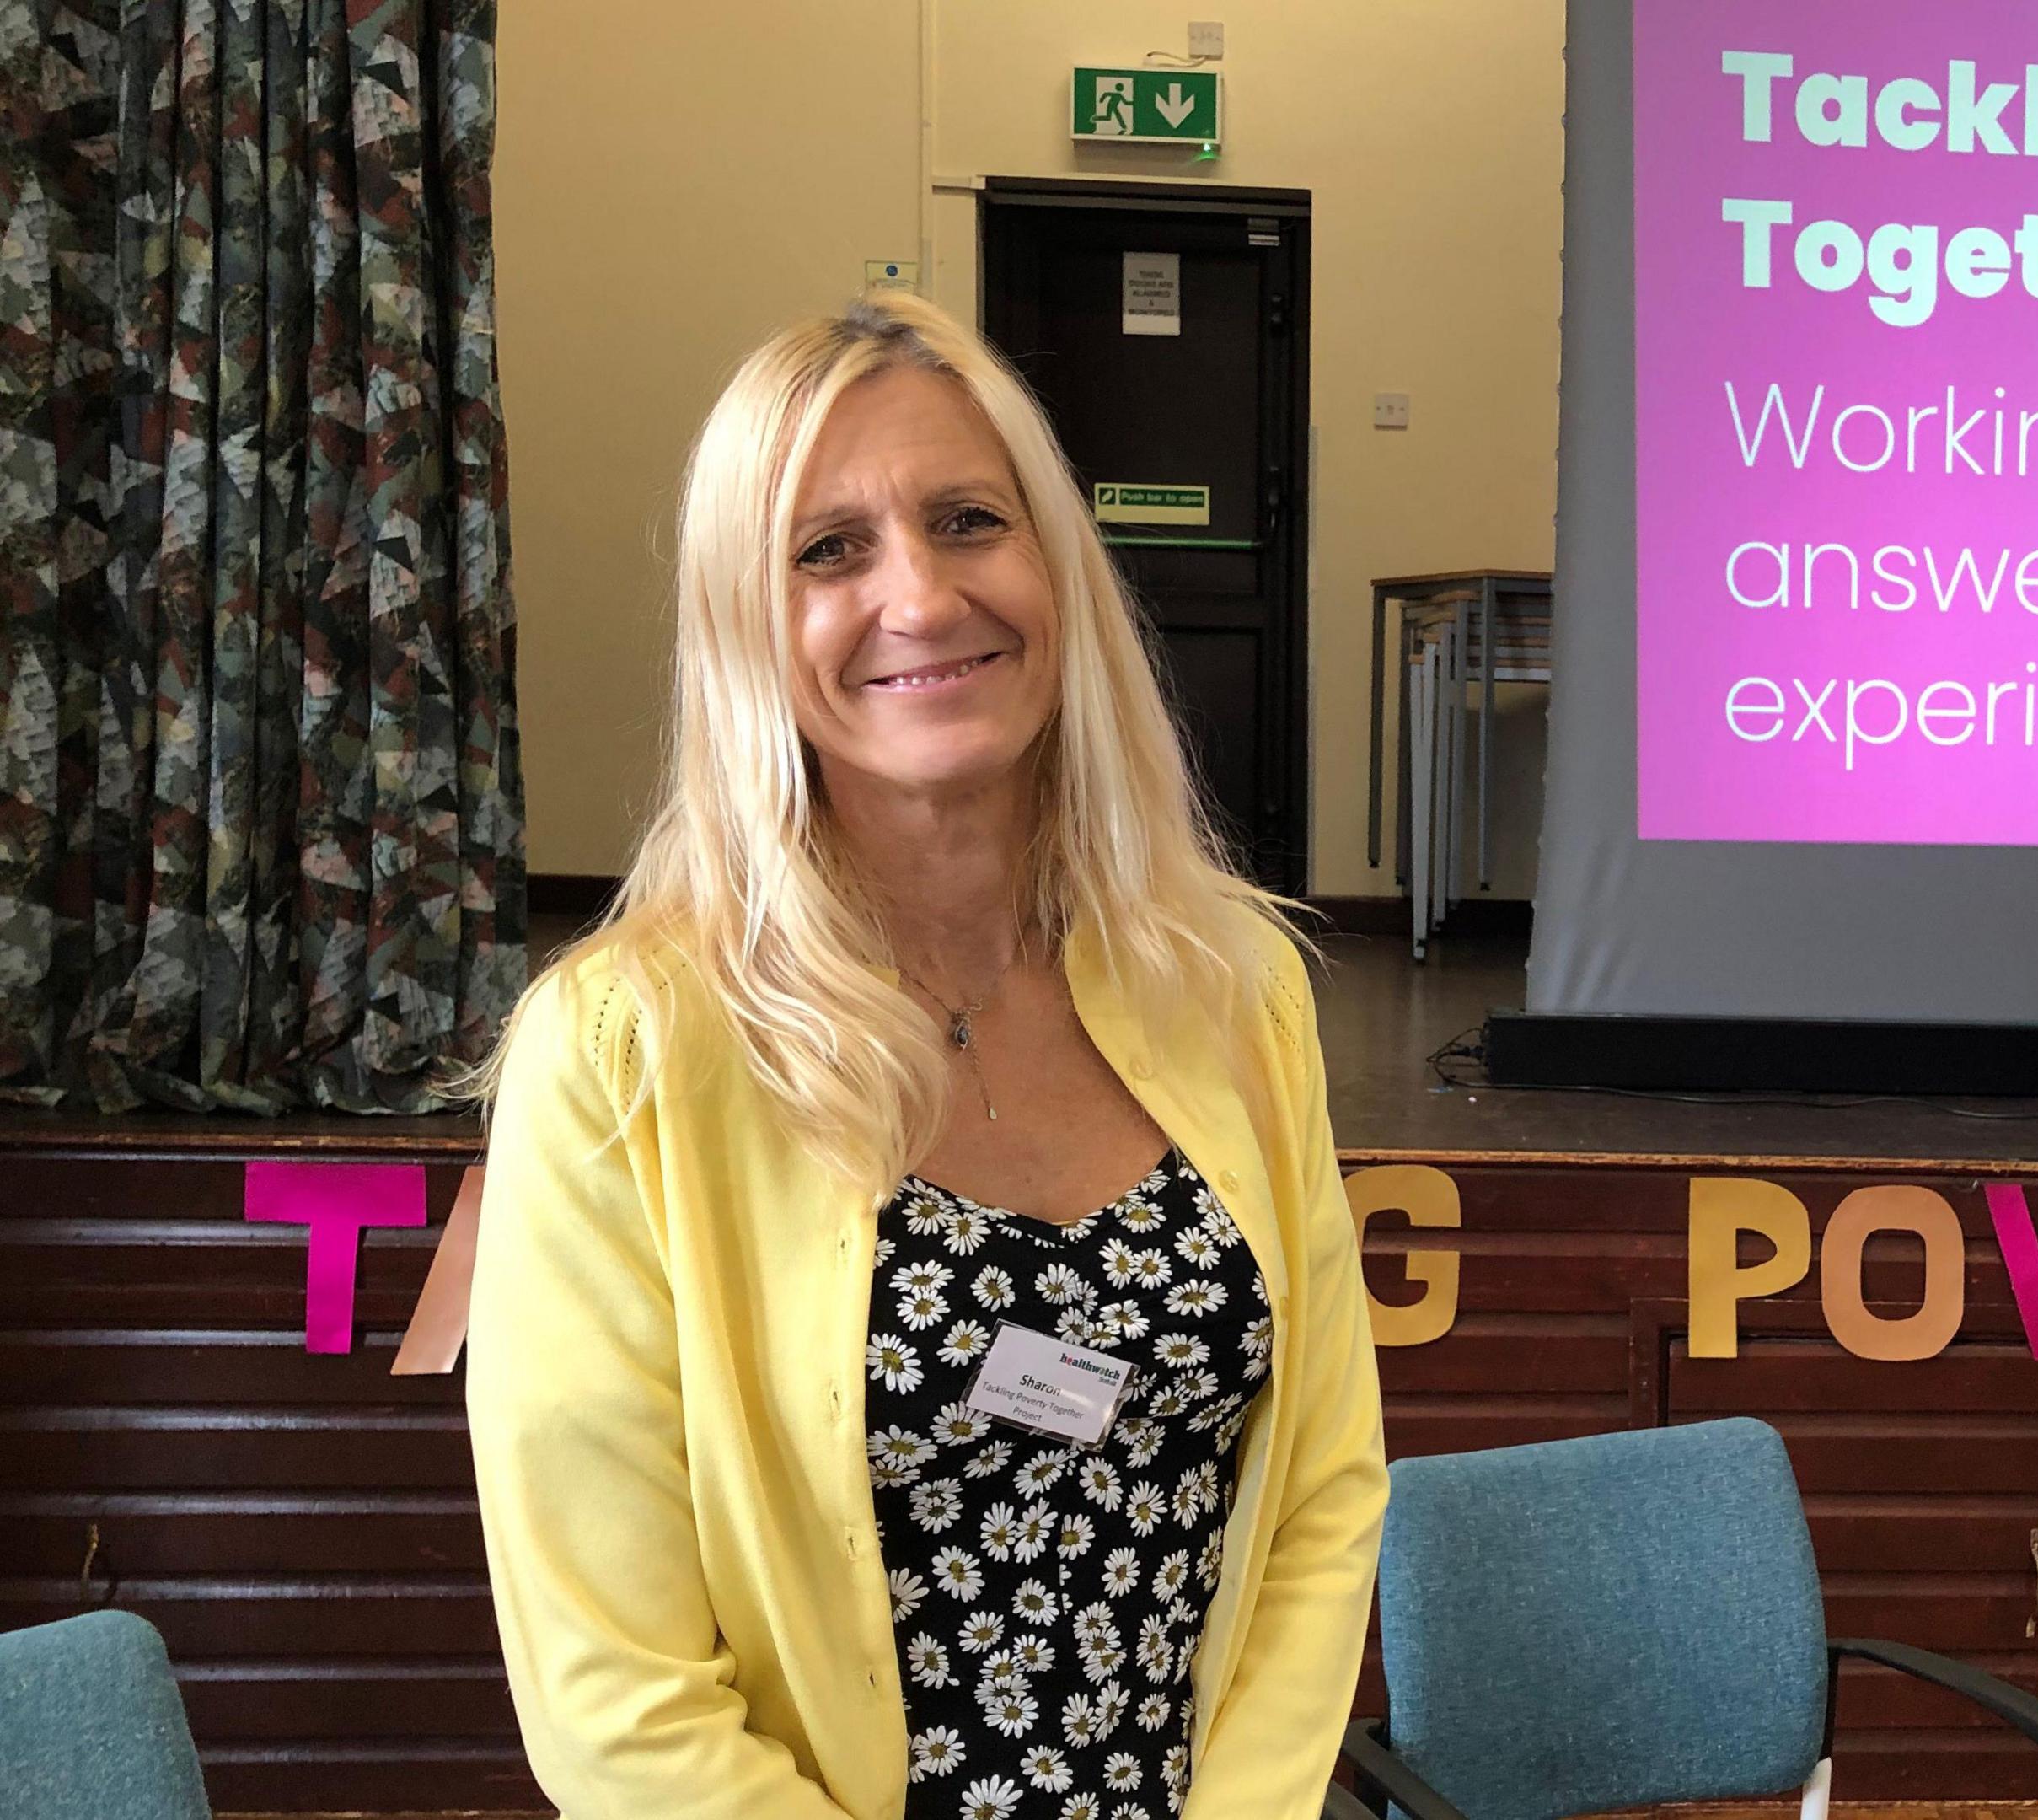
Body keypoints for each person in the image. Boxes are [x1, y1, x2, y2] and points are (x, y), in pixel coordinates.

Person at [466, 291, 1385, 1820]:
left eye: (969, 519)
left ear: (1060, 572)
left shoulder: (1233, 986)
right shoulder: (623, 1053)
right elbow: (612, 1699)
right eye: (828, 549)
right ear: (745, 622)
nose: (920, 596)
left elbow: (1319, 1496)